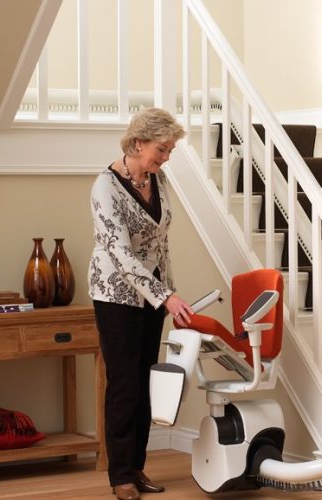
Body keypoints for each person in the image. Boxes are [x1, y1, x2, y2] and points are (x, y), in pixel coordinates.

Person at [88, 107, 194, 500]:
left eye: (169, 151)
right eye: (162, 149)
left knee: (148, 384)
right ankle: (120, 476)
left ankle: (137, 467)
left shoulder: (158, 179)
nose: (165, 158)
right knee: (124, 386)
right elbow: (119, 253)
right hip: (115, 295)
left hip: (154, 298)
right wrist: (166, 297)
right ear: (137, 143)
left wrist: (169, 294)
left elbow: (159, 243)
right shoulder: (105, 187)